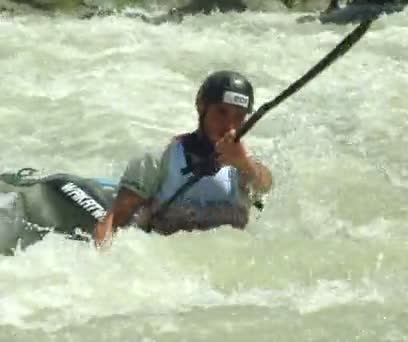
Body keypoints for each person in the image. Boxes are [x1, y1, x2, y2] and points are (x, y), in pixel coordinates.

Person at [94, 70, 273, 248]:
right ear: (201, 106)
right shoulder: (159, 158)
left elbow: (265, 187)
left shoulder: (244, 166)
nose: (229, 126)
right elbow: (113, 220)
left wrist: (244, 163)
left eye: (239, 117)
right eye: (221, 112)